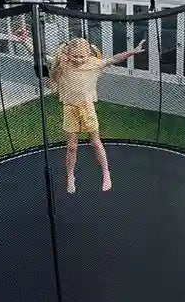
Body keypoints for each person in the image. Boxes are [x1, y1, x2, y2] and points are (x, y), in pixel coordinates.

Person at [16, 29, 146, 193]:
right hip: (69, 109)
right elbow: (39, 55)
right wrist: (25, 40)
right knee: (72, 147)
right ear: (68, 53)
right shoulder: (62, 63)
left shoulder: (93, 63)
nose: (78, 60)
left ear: (88, 54)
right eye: (75, 56)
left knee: (96, 142)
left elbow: (114, 58)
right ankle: (70, 176)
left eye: (82, 56)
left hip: (87, 108)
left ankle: (106, 172)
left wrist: (132, 52)